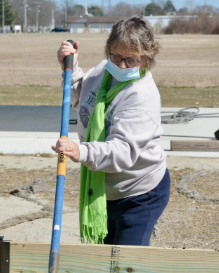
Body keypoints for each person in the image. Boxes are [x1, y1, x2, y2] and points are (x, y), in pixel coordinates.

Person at [53, 16, 170, 246]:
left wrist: (81, 152)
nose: (121, 65)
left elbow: (123, 151)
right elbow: (83, 101)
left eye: (131, 60)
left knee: (125, 265)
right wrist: (71, 68)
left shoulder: (142, 95)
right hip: (105, 188)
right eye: (115, 56)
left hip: (139, 192)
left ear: (146, 58)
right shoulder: (102, 72)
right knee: (105, 263)